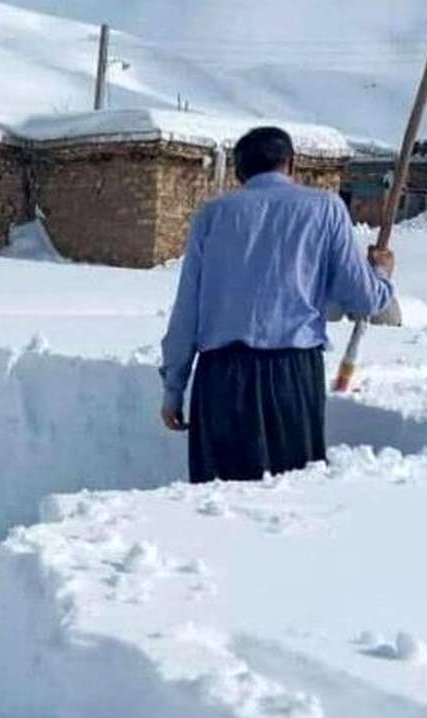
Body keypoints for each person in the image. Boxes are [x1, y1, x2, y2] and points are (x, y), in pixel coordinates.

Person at [160, 126, 396, 484]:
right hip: (292, 376)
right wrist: (381, 273)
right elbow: (362, 298)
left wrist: (174, 387)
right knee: (288, 501)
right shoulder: (326, 209)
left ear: (240, 172)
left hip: (221, 378)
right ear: (292, 163)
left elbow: (187, 310)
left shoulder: (213, 215)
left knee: (216, 502)